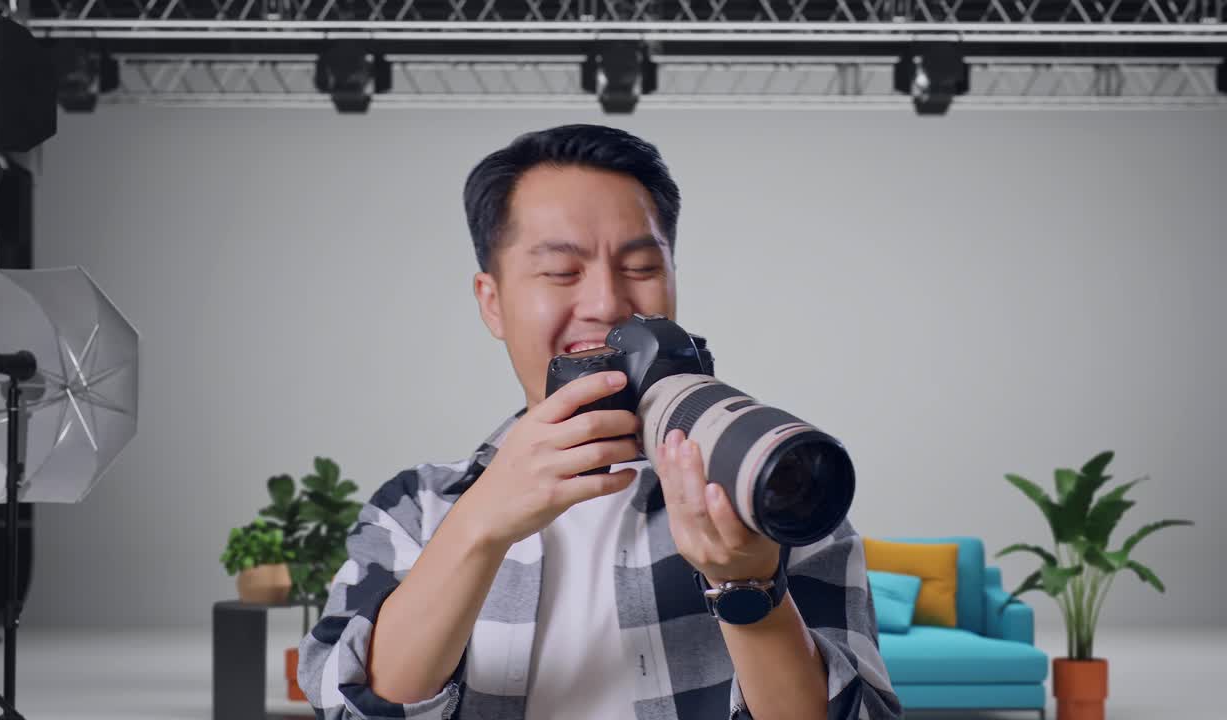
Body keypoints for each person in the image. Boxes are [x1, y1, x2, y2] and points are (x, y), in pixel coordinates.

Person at [297, 124, 902, 720]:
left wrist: (751, 590)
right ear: (492, 301)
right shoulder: (416, 510)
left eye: (640, 268)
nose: (609, 305)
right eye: (562, 272)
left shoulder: (771, 485)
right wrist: (479, 524)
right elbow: (351, 708)